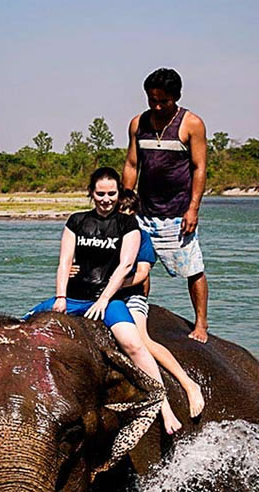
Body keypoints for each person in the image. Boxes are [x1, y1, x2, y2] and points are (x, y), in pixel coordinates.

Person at [25, 168, 181, 435]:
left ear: (118, 194)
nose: (106, 199)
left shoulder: (127, 224)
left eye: (111, 193)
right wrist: (61, 297)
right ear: (91, 193)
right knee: (23, 326)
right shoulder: (76, 221)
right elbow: (64, 262)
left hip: (109, 299)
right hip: (74, 296)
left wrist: (104, 299)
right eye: (100, 194)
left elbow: (126, 265)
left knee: (133, 343)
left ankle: (163, 405)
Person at [123, 67, 211, 342]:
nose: (157, 106)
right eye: (152, 100)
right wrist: (124, 203)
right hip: (143, 212)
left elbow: (199, 168)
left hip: (177, 213)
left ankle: (201, 324)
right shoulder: (138, 123)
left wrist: (193, 208)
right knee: (139, 266)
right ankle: (138, 317)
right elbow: (131, 164)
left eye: (164, 101)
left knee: (192, 269)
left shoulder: (191, 124)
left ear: (176, 97)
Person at [114, 188, 206, 418]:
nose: (125, 216)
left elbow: (142, 274)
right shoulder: (102, 233)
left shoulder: (141, 238)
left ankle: (188, 384)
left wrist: (110, 285)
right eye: (120, 211)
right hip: (102, 296)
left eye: (130, 212)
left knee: (142, 340)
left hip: (129, 295)